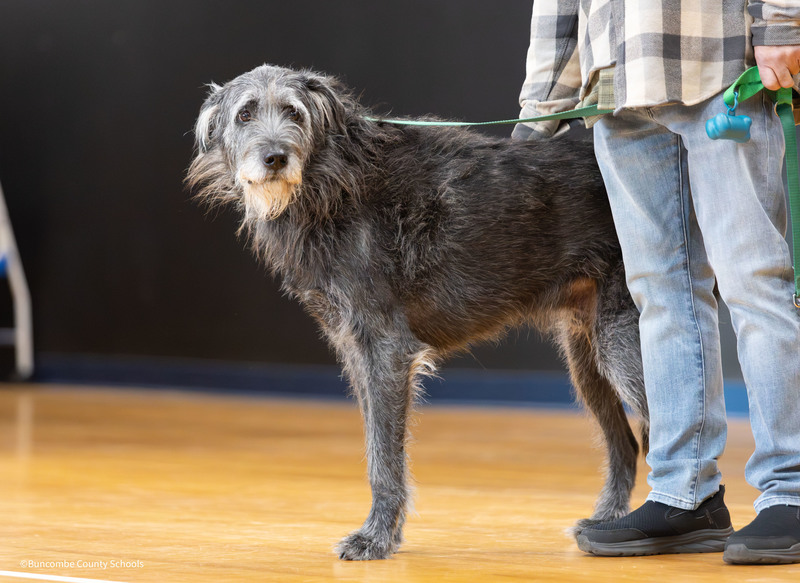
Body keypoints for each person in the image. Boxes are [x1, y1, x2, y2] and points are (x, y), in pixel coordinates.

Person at [513, 0, 800, 565]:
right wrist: (541, 105)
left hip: (721, 64)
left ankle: (790, 491)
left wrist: (783, 24)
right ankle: (684, 493)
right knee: (659, 295)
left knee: (754, 284)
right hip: (617, 86)